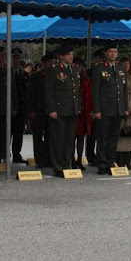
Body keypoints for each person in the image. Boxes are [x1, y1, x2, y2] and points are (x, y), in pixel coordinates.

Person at [44, 45, 81, 177]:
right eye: (68, 54)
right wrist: (51, 109)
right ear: (61, 56)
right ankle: (58, 166)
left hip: (72, 109)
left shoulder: (75, 69)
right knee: (58, 140)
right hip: (59, 110)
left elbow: (76, 91)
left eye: (72, 54)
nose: (71, 56)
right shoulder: (54, 70)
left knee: (69, 139)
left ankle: (67, 164)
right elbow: (48, 92)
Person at [91, 44, 129, 175]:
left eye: (115, 51)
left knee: (114, 138)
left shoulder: (121, 67)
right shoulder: (99, 68)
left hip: (118, 108)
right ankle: (101, 163)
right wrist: (96, 110)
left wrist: (125, 108)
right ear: (106, 53)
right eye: (110, 51)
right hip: (104, 108)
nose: (113, 54)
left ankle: (110, 162)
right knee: (103, 137)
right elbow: (95, 91)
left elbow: (124, 90)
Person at [28, 53, 54, 168]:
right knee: (38, 136)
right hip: (38, 110)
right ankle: (39, 159)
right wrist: (31, 110)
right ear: (43, 64)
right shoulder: (36, 76)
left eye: (52, 62)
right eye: (49, 62)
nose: (51, 64)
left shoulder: (54, 75)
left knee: (49, 136)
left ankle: (48, 158)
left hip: (50, 110)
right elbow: (31, 94)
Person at [0, 46, 17, 163]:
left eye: (3, 55)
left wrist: (14, 107)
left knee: (5, 134)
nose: (2, 57)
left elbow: (13, 91)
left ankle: (3, 155)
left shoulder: (7, 71)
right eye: (0, 55)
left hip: (5, 109)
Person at [86, 48, 105, 165]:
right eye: (100, 58)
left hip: (105, 107)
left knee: (102, 135)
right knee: (91, 135)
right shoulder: (89, 72)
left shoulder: (108, 71)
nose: (102, 60)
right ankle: (91, 156)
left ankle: (101, 157)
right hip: (92, 106)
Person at [10, 48, 29, 164]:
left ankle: (16, 154)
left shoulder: (24, 74)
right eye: (14, 58)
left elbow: (26, 93)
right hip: (9, 109)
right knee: (7, 134)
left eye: (18, 58)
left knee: (18, 133)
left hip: (21, 109)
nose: (16, 60)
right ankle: (5, 155)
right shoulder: (6, 72)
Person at [73, 59, 92, 171]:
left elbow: (90, 97)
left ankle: (79, 159)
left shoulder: (85, 80)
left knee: (81, 138)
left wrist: (91, 112)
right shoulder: (72, 79)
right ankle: (71, 160)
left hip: (84, 114)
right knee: (71, 139)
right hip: (74, 113)